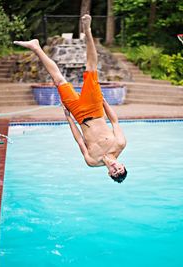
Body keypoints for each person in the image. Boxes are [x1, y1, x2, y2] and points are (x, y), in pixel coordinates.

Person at [14, 14, 127, 183]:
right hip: (96, 109)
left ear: (109, 174)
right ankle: (87, 30)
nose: (116, 169)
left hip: (79, 116)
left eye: (115, 173)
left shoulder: (91, 161)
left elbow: (80, 139)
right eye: (120, 169)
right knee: (91, 68)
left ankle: (36, 47)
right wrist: (104, 102)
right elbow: (115, 121)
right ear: (122, 164)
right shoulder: (119, 144)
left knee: (59, 80)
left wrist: (68, 117)